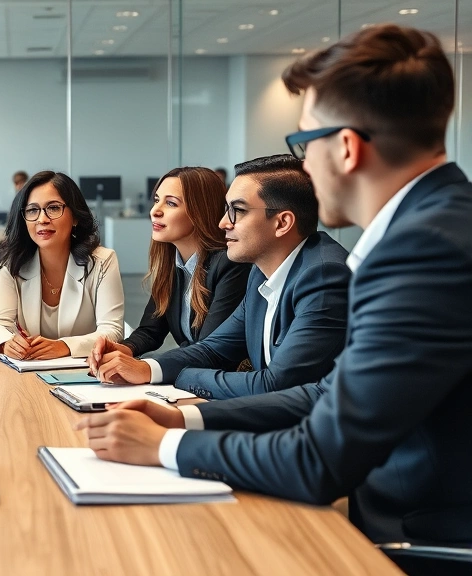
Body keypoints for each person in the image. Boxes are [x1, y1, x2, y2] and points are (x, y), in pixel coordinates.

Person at [76, 24, 472, 547]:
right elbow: (325, 395)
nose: (302, 166)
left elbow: (317, 459)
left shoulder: (424, 252)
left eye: (303, 143)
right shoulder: (436, 227)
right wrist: (180, 418)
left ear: (347, 148)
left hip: (414, 537)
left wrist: (163, 447)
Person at [90, 155, 350, 400]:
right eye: (226, 210)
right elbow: (214, 348)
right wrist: (147, 368)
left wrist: (169, 376)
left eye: (237, 210)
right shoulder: (260, 273)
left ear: (282, 223)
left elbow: (275, 384)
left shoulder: (323, 275)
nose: (223, 222)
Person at [95, 166, 249, 360]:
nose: (155, 211)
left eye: (171, 203)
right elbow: (150, 331)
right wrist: (122, 349)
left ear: (201, 211)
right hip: (191, 373)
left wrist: (147, 368)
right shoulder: (172, 264)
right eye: (157, 200)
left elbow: (209, 349)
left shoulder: (229, 264)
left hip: (223, 380)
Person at [0, 171, 124, 359]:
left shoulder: (102, 262)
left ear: (75, 216)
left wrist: (63, 346)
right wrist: (8, 343)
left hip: (85, 373)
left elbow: (112, 331)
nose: (42, 219)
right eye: (33, 210)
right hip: (29, 373)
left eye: (53, 208)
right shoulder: (13, 265)